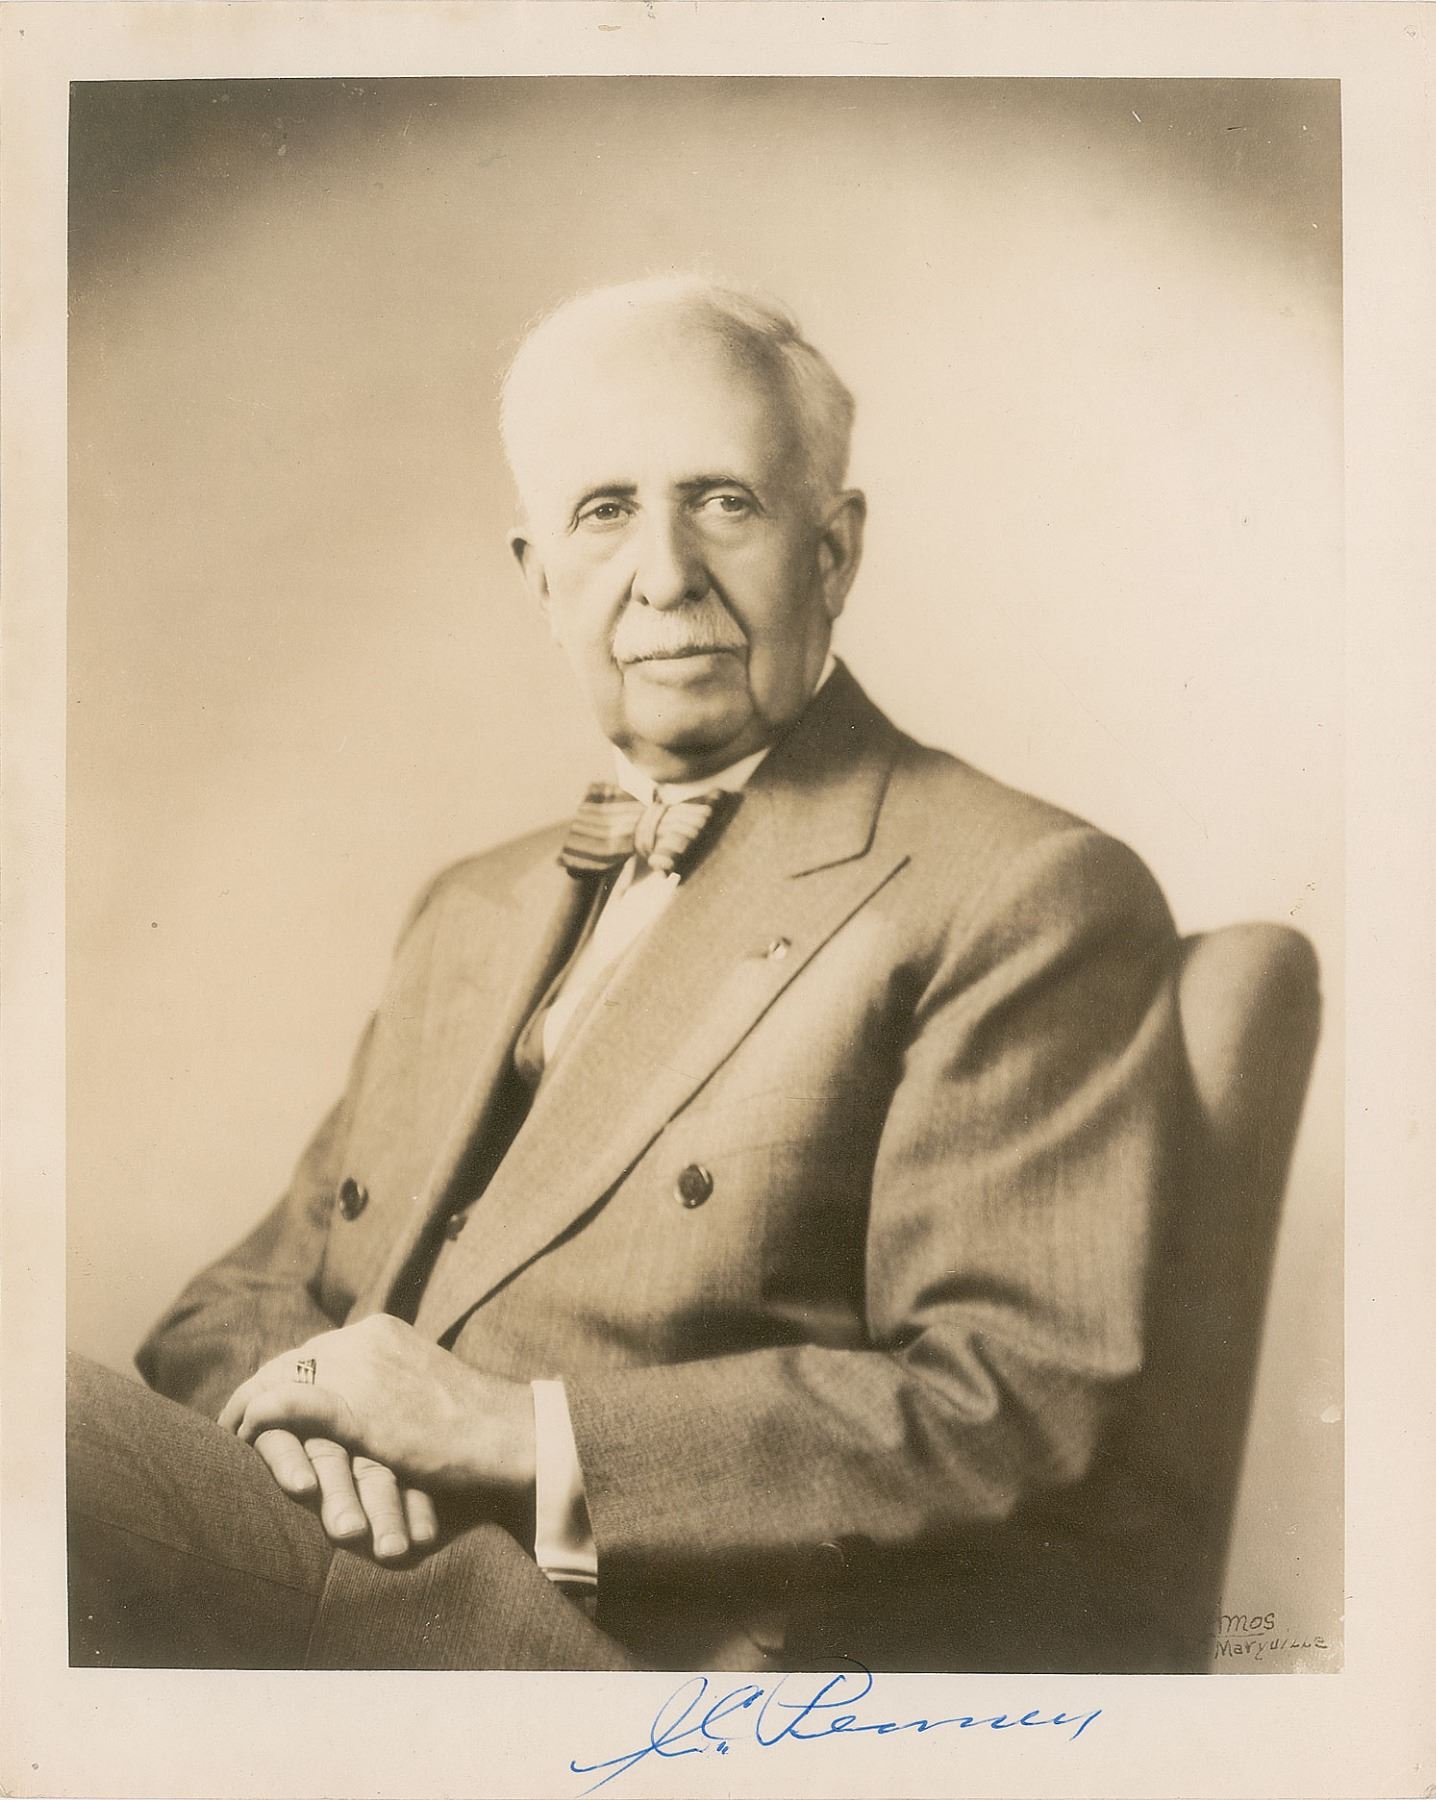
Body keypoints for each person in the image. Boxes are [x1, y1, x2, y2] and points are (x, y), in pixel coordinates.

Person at [68, 276, 1191, 1674]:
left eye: (725, 501)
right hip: (340, 1565)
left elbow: (1012, 1410)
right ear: (539, 576)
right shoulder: (469, 910)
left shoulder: (1016, 888)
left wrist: (500, 1429)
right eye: (605, 511)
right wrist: (315, 1419)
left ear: (834, 551)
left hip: (627, 1661)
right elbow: (220, 1307)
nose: (664, 573)